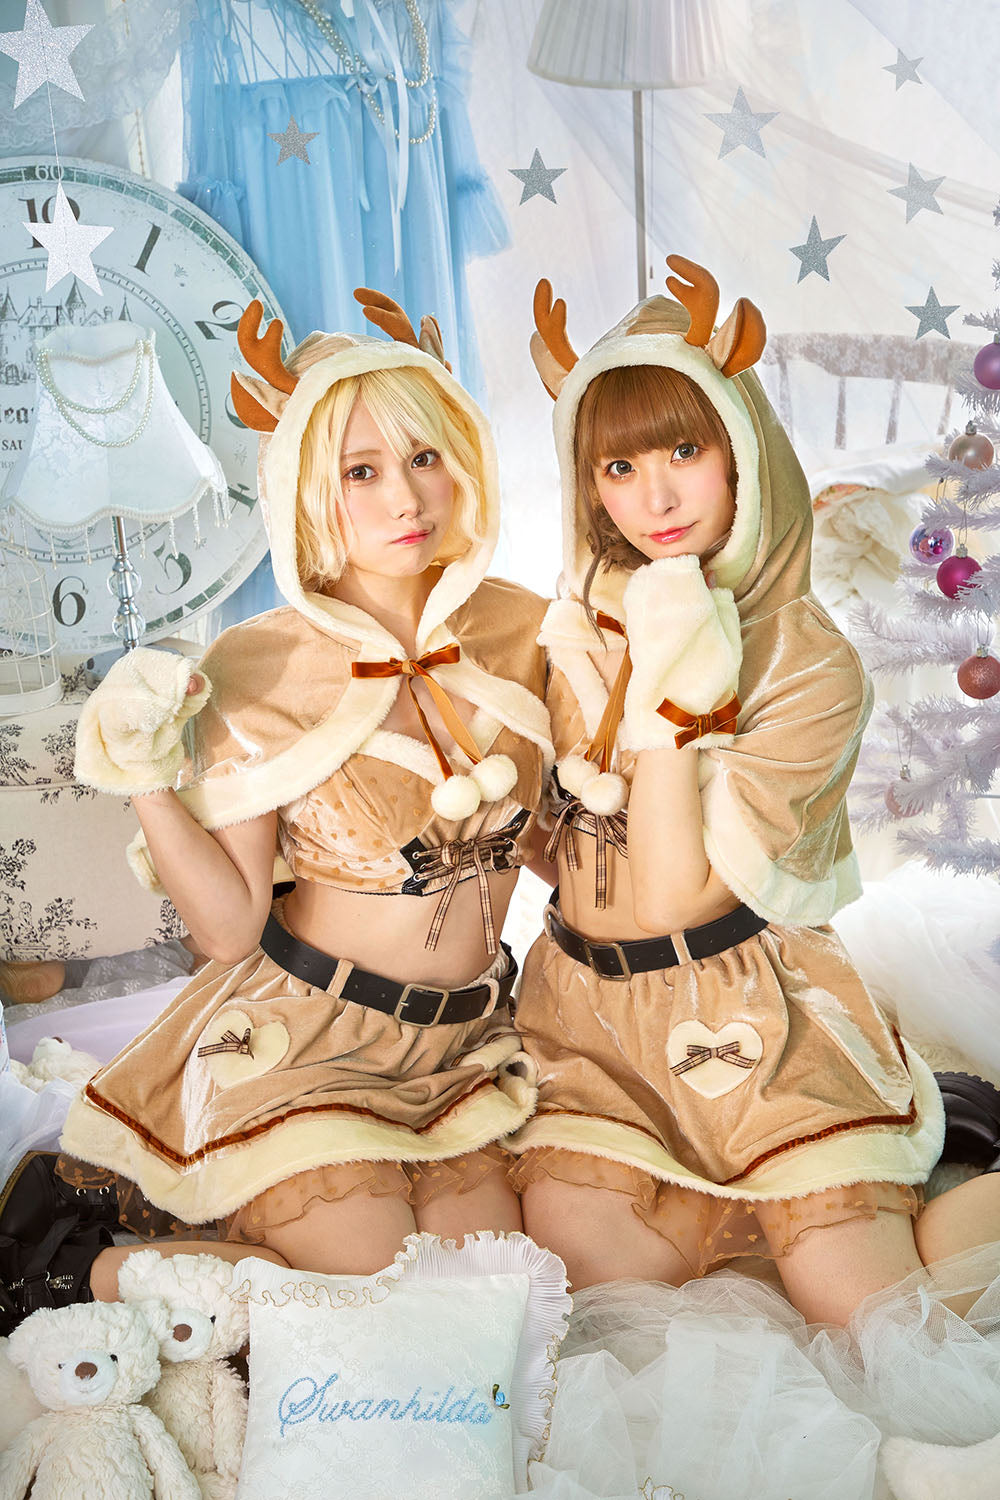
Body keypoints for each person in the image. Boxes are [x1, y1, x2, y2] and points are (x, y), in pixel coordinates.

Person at [1, 289, 553, 1328]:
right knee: (378, 1300)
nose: (406, 499)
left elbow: (565, 846)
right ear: (306, 490)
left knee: (496, 1301)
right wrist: (144, 775)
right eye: (360, 471)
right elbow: (225, 929)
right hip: (307, 1041)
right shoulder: (257, 667)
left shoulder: (525, 632)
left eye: (424, 457)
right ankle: (87, 1268)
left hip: (467, 1044)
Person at [507, 256, 1000, 1329]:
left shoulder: (808, 664)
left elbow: (676, 896)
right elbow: (566, 839)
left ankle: (947, 1189)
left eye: (685, 452)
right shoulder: (577, 622)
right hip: (586, 1025)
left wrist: (671, 688)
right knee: (609, 1293)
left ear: (743, 454)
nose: (654, 498)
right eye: (619, 467)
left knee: (871, 1317)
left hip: (746, 1011)